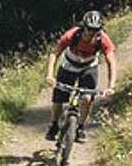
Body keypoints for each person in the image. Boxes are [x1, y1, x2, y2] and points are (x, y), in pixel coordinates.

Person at [44, 11, 116, 142]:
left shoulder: (102, 39)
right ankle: (54, 125)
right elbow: (54, 53)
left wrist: (111, 86)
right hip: (68, 66)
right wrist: (50, 75)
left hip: (88, 67)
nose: (91, 32)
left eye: (95, 30)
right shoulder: (72, 35)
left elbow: (111, 62)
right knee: (58, 98)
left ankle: (80, 128)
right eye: (89, 29)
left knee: (87, 98)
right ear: (83, 26)